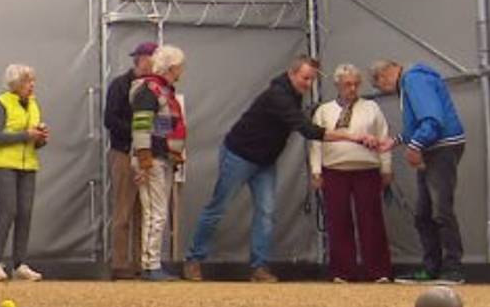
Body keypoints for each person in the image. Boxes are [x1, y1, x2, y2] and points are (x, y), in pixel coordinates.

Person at [183, 55, 378, 282]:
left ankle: (259, 267)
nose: (308, 84)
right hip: (239, 155)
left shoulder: (294, 95)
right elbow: (307, 130)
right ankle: (193, 259)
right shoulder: (278, 96)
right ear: (291, 74)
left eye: (312, 80)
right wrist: (349, 135)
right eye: (305, 78)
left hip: (265, 160)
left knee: (266, 213)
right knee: (218, 207)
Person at [370, 59, 466, 285]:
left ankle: (453, 268)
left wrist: (415, 146)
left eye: (379, 86)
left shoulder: (413, 80)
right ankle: (432, 268)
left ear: (383, 76)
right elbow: (418, 124)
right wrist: (394, 141)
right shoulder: (410, 83)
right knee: (423, 213)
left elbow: (432, 119)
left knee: (441, 210)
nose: (383, 90)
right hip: (436, 146)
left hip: (441, 147)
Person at [309, 64, 392, 283]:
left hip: (367, 170)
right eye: (347, 84)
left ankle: (379, 271)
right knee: (338, 221)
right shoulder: (324, 111)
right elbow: (315, 143)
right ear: (337, 85)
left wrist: (386, 168)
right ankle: (342, 272)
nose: (352, 88)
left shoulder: (372, 107)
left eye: (356, 84)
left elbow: (383, 137)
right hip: (334, 170)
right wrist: (316, 171)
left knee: (372, 221)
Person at [0, 64, 49, 282]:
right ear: (14, 85)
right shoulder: (0, 104)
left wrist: (40, 138)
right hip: (3, 164)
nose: (31, 85)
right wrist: (26, 134)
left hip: (28, 164)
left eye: (32, 81)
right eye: (26, 81)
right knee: (8, 210)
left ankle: (19, 264)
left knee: (25, 212)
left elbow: (33, 140)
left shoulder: (33, 105)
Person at [129, 44, 187, 281]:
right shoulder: (150, 91)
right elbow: (142, 125)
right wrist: (144, 158)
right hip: (150, 159)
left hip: (158, 156)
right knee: (155, 212)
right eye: (180, 66)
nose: (182, 70)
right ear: (172, 67)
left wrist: (171, 151)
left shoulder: (161, 91)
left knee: (156, 211)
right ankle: (150, 264)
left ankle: (152, 263)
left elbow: (161, 127)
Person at [103, 42, 156, 279]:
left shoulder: (154, 88)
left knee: (143, 210)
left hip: (145, 153)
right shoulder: (119, 86)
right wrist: (137, 133)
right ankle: (120, 263)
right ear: (142, 60)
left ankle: (140, 263)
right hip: (124, 152)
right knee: (124, 209)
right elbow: (110, 120)